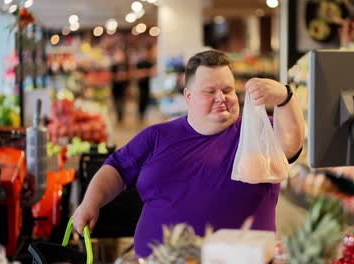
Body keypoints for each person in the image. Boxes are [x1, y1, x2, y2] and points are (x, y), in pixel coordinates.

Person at [73, 50, 305, 257]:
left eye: (227, 90)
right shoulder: (157, 136)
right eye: (209, 91)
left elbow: (290, 145)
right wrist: (89, 203)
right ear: (188, 96)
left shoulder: (256, 133)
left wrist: (285, 98)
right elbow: (116, 169)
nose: (221, 98)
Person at [135, 47, 156, 122]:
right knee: (141, 99)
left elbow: (153, 72)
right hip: (140, 84)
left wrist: (144, 72)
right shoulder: (139, 63)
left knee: (146, 99)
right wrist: (146, 72)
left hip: (147, 84)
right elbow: (136, 74)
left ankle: (143, 113)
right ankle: (140, 113)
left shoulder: (149, 63)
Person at [110, 48, 130, 122]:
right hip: (115, 87)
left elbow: (129, 76)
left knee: (122, 102)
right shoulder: (114, 66)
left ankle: (121, 115)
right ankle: (118, 114)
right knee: (116, 101)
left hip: (123, 87)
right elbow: (111, 76)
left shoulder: (126, 65)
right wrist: (118, 77)